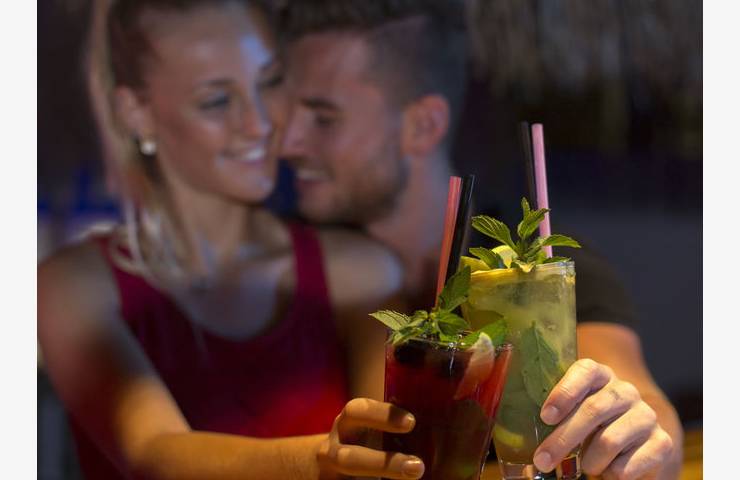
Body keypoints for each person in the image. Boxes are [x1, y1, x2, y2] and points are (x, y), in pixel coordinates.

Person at [278, 1, 683, 478]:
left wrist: (643, 440)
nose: (287, 143)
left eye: (323, 118)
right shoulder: (291, 273)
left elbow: (640, 404)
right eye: (286, 112)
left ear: (423, 126)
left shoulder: (528, 271)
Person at [38, 1, 430, 478]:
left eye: (269, 81)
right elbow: (155, 454)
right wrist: (323, 461)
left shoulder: (363, 273)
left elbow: (391, 451)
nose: (260, 123)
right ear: (136, 113)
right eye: (217, 101)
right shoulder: (71, 286)